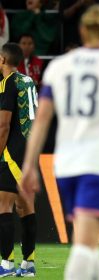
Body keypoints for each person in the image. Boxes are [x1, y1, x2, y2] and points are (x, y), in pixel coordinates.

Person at [20, 4, 99, 279]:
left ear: (82, 30)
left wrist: (29, 166)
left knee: (87, 240)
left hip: (65, 165)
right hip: (97, 164)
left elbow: (41, 120)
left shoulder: (60, 66)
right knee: (84, 246)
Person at [0, 43, 38, 277]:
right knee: (25, 207)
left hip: (12, 152)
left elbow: (4, 125)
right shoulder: (28, 81)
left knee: (3, 207)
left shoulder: (7, 83)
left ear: (3, 60)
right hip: (30, 151)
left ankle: (6, 264)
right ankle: (29, 264)